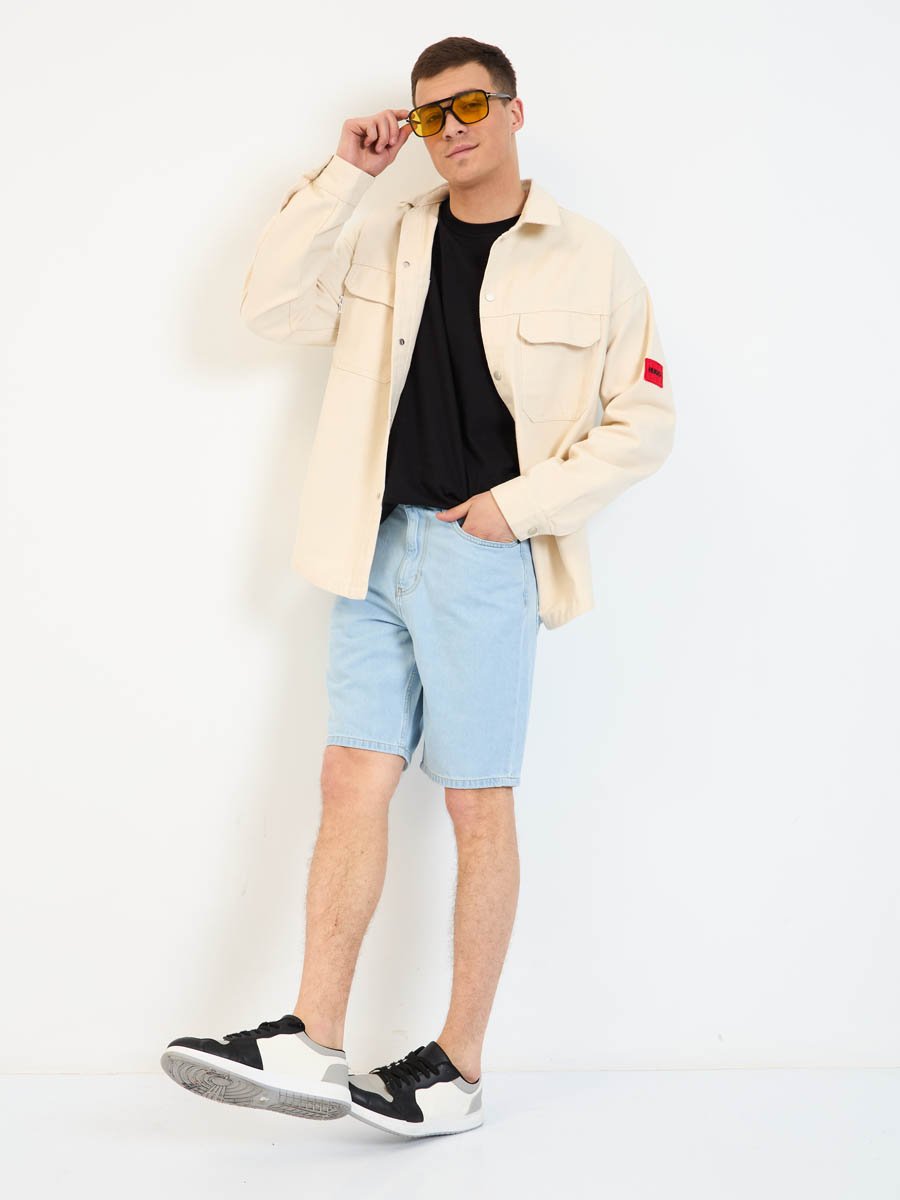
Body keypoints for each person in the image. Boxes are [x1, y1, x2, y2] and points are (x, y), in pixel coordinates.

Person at [160, 35, 675, 1140]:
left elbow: (644, 423)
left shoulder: (592, 260)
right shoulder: (385, 235)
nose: (451, 130)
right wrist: (344, 175)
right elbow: (269, 308)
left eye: (470, 106)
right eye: (431, 116)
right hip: (372, 547)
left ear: (515, 111)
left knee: (477, 801)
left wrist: (515, 509)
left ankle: (459, 1069)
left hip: (481, 557)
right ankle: (312, 1038)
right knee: (350, 775)